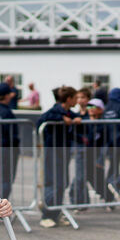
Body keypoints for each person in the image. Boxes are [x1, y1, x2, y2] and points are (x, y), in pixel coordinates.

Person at [36, 85, 80, 228]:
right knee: (52, 183)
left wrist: (78, 118)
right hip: (52, 151)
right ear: (69, 99)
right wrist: (61, 118)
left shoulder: (69, 112)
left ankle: (56, 213)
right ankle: (46, 215)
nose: (77, 101)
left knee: (62, 183)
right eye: (75, 98)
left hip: (63, 152)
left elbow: (77, 117)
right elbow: (42, 120)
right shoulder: (56, 111)